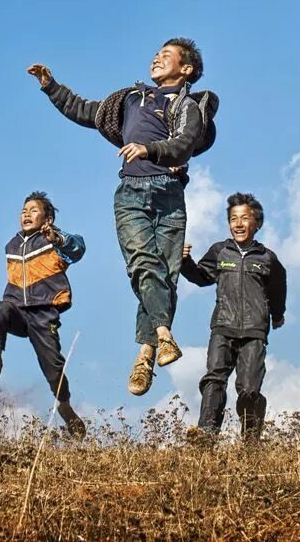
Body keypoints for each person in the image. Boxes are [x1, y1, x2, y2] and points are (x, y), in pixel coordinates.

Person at [27, 38, 219, 396]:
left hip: (169, 193)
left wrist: (149, 149)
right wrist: (51, 87)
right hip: (131, 191)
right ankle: (162, 335)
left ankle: (145, 354)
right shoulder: (131, 99)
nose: (157, 58)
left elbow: (183, 145)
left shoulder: (188, 105)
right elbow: (87, 111)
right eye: (156, 54)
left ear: (187, 69)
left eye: (167, 55)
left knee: (165, 274)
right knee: (143, 264)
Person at [0, 191, 89, 436]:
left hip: (43, 312)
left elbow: (78, 249)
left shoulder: (53, 241)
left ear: (47, 219)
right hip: (17, 310)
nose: (26, 214)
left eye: (34, 210)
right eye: (24, 210)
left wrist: (57, 238)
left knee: (53, 366)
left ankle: (65, 407)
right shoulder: (11, 245)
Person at [180, 192, 286, 440]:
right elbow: (201, 277)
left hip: (254, 330)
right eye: (233, 219)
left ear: (256, 223)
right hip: (223, 326)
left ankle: (251, 438)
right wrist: (185, 262)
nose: (238, 224)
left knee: (249, 388)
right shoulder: (220, 251)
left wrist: (278, 315)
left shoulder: (267, 258)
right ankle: (206, 433)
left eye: (244, 218)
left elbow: (278, 288)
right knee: (214, 379)